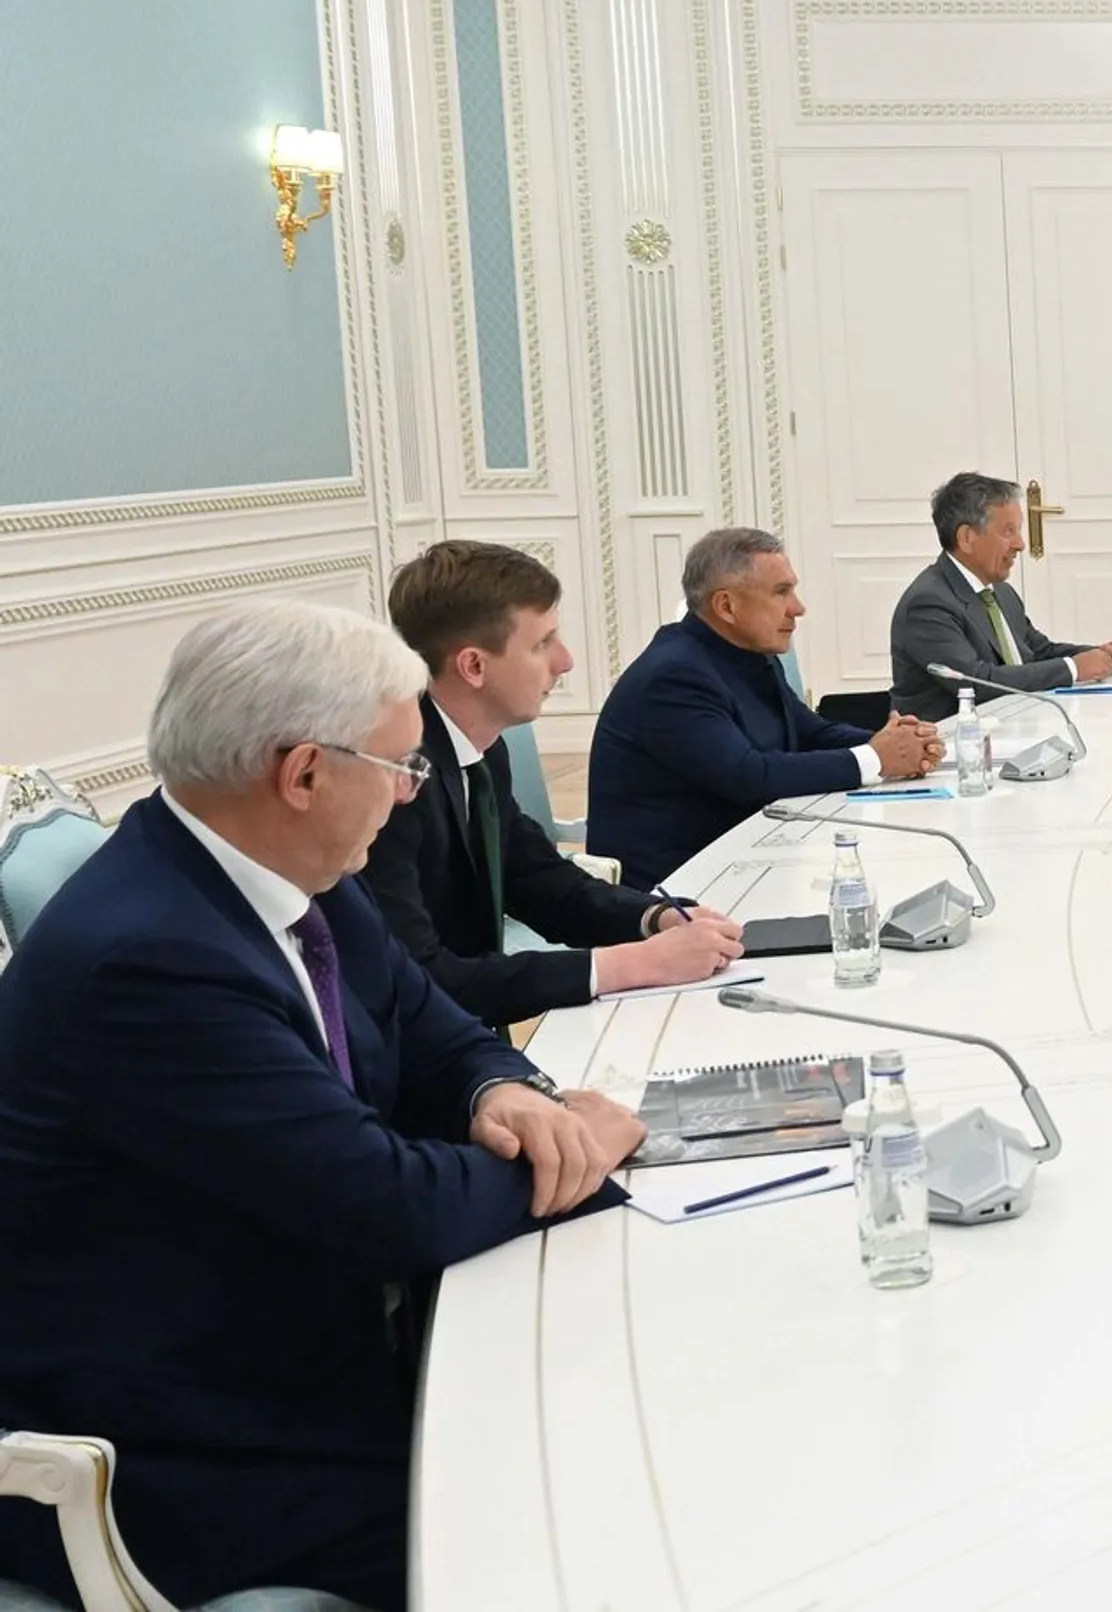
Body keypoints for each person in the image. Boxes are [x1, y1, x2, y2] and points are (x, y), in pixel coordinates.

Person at [0, 601, 645, 1610]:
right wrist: (580, 1151)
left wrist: (506, 1090)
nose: (410, 790)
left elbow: (435, 1033)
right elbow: (387, 1209)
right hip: (185, 1439)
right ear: (303, 774)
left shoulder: (298, 874)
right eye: (401, 765)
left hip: (299, 1345)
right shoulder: (146, 960)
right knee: (575, 1521)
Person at [363, 541, 745, 1027]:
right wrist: (631, 965)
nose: (564, 661)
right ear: (473, 666)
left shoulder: (482, 749)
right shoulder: (392, 782)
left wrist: (654, 918)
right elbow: (422, 979)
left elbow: (540, 881)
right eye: (542, 644)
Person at [588, 527, 940, 890]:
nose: (798, 608)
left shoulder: (748, 652)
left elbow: (810, 732)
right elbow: (748, 776)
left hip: (743, 862)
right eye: (781, 592)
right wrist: (876, 758)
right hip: (672, 892)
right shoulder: (673, 676)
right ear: (726, 606)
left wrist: (901, 743)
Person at [888, 471, 1112, 722]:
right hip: (953, 739)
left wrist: (1101, 655)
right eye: (1008, 532)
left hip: (1016, 724)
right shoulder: (928, 604)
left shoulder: (999, 592)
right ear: (966, 538)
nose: (1020, 544)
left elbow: (1039, 652)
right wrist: (1074, 669)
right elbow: (976, 683)